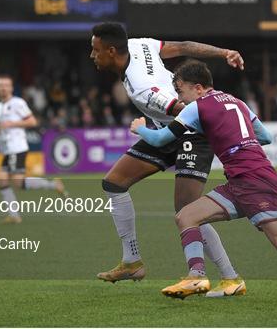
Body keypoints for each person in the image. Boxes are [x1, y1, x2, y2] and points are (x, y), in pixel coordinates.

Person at [130, 60, 277, 306]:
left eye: (181, 91)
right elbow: (266, 136)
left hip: (253, 179)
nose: (180, 98)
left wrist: (140, 129)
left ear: (199, 88)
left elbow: (160, 139)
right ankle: (197, 276)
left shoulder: (197, 107)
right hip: (240, 180)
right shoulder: (238, 102)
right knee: (186, 216)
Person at [90, 22, 247, 297]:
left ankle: (227, 277)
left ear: (112, 51)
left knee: (187, 209)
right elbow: (184, 47)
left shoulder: (142, 88)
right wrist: (224, 52)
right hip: (168, 129)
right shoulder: (139, 44)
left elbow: (185, 110)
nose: (92, 56)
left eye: (95, 50)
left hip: (191, 132)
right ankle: (131, 261)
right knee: (114, 182)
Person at [0, 74, 67, 224]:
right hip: (8, 150)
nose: (3, 88)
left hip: (17, 148)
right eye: (0, 85)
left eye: (6, 85)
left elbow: (32, 121)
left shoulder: (17, 103)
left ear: (10, 88)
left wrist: (13, 124)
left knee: (18, 183)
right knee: (2, 181)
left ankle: (53, 184)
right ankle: (14, 215)